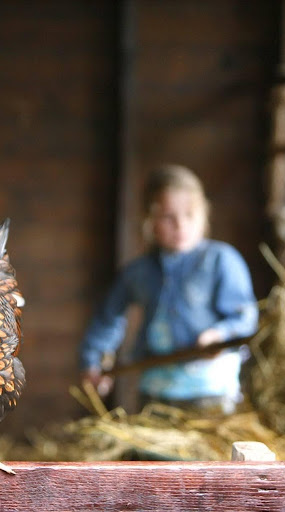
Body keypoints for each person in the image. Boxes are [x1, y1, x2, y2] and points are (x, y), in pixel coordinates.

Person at [78, 164, 259, 413]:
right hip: (156, 388)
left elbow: (245, 317)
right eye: (168, 217)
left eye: (189, 214)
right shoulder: (139, 272)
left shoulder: (220, 260)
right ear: (150, 221)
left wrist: (218, 335)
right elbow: (107, 319)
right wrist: (94, 360)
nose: (180, 225)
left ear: (204, 214)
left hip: (210, 389)